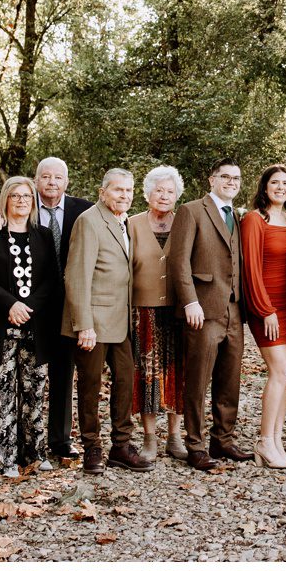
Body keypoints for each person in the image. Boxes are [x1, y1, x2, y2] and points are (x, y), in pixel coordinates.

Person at [0, 176, 61, 478]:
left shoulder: (43, 235)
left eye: (26, 196)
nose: (21, 201)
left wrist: (29, 306)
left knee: (34, 391)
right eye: (15, 196)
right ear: (5, 200)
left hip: (36, 326)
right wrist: (10, 304)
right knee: (1, 393)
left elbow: (51, 279)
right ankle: (3, 458)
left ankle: (34, 452)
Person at [62, 168, 151, 475]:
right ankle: (91, 448)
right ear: (103, 192)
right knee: (90, 387)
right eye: (118, 190)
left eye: (128, 191)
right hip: (94, 323)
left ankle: (121, 446)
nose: (124, 195)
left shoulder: (125, 222)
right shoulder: (89, 221)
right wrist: (83, 324)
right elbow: (76, 276)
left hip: (121, 321)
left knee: (125, 382)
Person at [169, 158, 252, 472]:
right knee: (198, 380)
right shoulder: (191, 211)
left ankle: (223, 438)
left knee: (229, 380)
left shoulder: (240, 218)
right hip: (202, 310)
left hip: (234, 309)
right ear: (212, 180)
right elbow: (179, 263)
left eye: (237, 178)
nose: (232, 182)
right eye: (226, 177)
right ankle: (194, 444)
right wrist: (190, 302)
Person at [240, 164, 286, 468]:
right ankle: (264, 441)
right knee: (278, 371)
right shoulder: (254, 220)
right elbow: (250, 269)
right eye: (275, 183)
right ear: (264, 186)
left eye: (285, 184)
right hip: (267, 305)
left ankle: (277, 438)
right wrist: (264, 309)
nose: (280, 188)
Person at [33, 157, 93, 460]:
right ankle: (25, 436)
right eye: (45, 177)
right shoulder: (23, 205)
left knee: (62, 373)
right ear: (36, 180)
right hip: (30, 305)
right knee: (28, 372)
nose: (51, 183)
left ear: (66, 182)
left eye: (57, 177)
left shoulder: (84, 210)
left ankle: (60, 439)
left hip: (69, 304)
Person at [129, 165, 189, 463]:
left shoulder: (186, 223)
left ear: (177, 195)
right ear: (148, 193)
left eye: (170, 191)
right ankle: (150, 438)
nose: (164, 196)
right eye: (159, 190)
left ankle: (175, 437)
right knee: (148, 374)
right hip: (144, 311)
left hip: (179, 311)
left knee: (178, 372)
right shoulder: (132, 224)